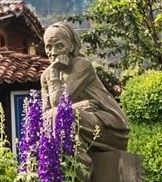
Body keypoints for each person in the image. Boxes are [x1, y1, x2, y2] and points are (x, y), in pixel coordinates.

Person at [40, 21, 129, 164]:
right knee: (52, 119)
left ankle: (82, 168)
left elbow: (58, 103)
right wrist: (77, 107)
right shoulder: (46, 76)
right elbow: (46, 113)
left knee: (59, 116)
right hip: (80, 119)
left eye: (59, 46)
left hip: (109, 126)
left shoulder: (81, 65)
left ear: (70, 46)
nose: (53, 52)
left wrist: (55, 72)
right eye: (48, 47)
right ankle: (66, 167)